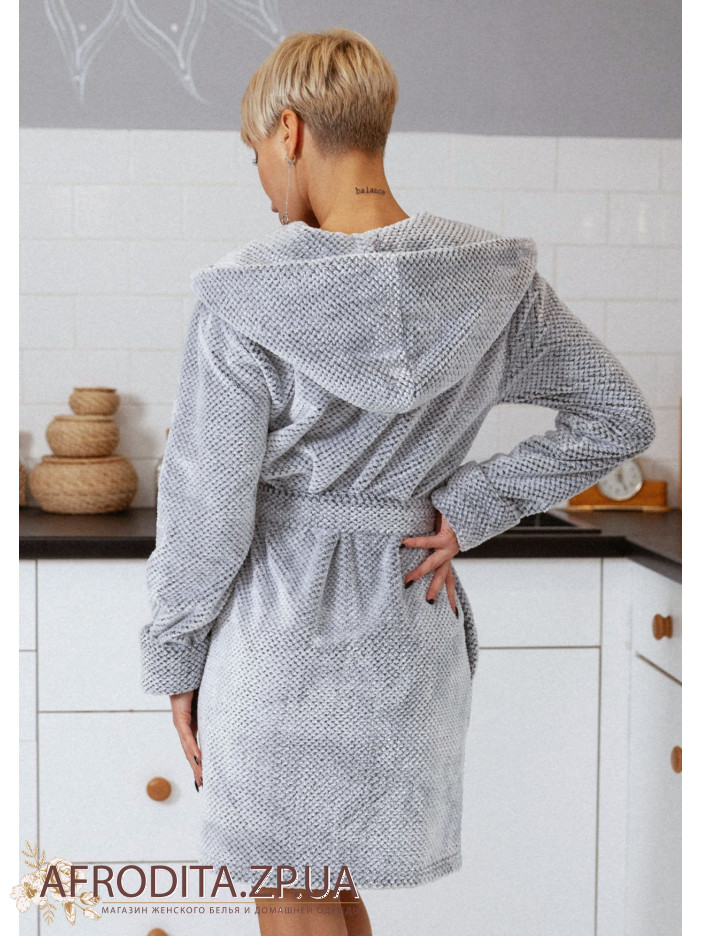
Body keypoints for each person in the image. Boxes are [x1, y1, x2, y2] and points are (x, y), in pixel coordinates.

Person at [138, 27, 656, 936]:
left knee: (292, 890)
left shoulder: (249, 296)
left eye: (256, 155)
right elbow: (618, 418)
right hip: (406, 633)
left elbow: (206, 507)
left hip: (278, 635)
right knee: (329, 887)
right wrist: (466, 508)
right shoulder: (492, 284)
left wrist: (175, 655)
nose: (263, 186)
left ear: (290, 131)